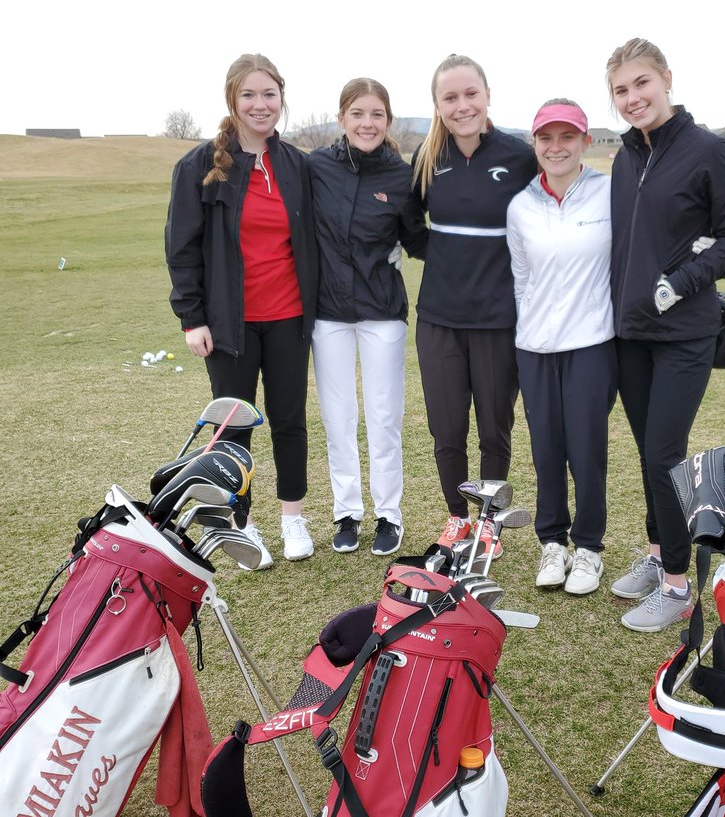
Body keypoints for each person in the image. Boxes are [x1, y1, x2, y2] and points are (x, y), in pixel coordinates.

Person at [606, 38, 725, 630]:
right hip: (631, 333)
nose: (633, 97)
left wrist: (683, 279)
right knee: (649, 453)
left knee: (666, 454)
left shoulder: (707, 150)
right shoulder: (624, 157)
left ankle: (677, 583)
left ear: (666, 78)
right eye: (621, 90)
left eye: (641, 83)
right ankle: (656, 552)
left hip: (685, 332)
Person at [165, 53, 319, 569]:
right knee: (234, 426)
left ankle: (293, 517)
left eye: (269, 94)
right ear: (232, 99)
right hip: (228, 323)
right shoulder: (200, 166)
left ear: (281, 98)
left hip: (289, 317)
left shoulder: (296, 164)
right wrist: (192, 317)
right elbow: (181, 247)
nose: (260, 104)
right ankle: (241, 522)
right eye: (249, 95)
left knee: (289, 419)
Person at [411, 54, 537, 554]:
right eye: (450, 97)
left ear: (487, 96)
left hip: (498, 320)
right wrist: (446, 258)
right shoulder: (427, 158)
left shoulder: (519, 156)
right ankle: (457, 517)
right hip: (439, 319)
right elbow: (408, 226)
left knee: (493, 427)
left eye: (470, 94)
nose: (462, 106)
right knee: (446, 428)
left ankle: (489, 523)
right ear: (437, 104)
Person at [308, 78, 429, 557]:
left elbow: (416, 238)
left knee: (383, 416)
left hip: (382, 312)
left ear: (388, 121)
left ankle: (388, 515)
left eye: (377, 114)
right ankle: (346, 512)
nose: (367, 123)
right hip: (328, 312)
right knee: (338, 417)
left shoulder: (401, 175)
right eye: (357, 113)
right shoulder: (316, 167)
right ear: (342, 118)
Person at [507, 99, 616, 596]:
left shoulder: (608, 194)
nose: (556, 147)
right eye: (546, 138)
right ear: (535, 144)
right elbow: (521, 277)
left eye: (567, 136)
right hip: (534, 347)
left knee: (586, 450)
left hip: (591, 343)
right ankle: (552, 542)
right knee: (546, 449)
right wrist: (530, 328)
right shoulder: (521, 205)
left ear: (585, 141)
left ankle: (589, 547)